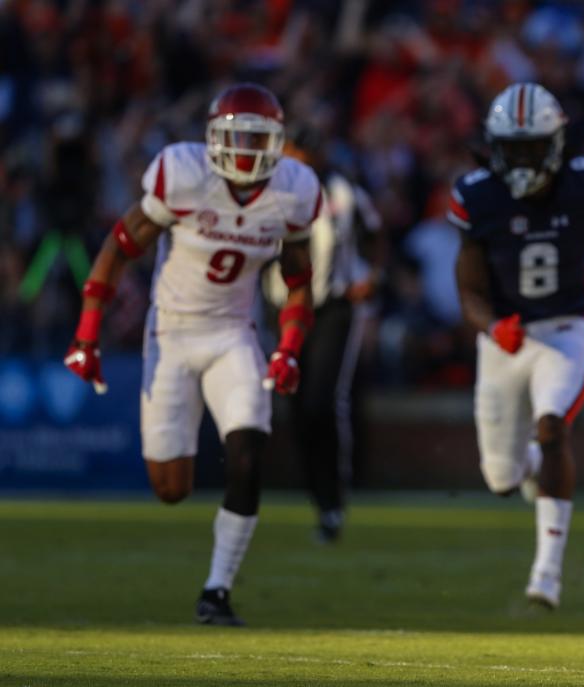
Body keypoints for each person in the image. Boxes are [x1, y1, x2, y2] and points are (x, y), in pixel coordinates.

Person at [64, 83, 322, 625]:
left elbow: (299, 280)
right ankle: (213, 579)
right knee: (170, 488)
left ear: (277, 143)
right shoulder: (183, 175)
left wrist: (291, 349)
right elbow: (118, 247)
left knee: (250, 448)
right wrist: (86, 336)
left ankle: (217, 590)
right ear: (214, 138)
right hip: (172, 335)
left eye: (259, 138)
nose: (248, 150)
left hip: (235, 332)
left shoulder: (292, 191)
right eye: (239, 137)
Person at [452, 82, 584, 609]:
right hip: (504, 340)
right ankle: (525, 463)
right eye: (512, 148)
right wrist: (491, 325)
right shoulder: (479, 194)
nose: (521, 159)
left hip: (565, 330)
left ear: (556, 142)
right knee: (500, 478)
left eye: (531, 147)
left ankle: (546, 574)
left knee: (552, 427)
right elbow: (469, 288)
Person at [263, 149, 384, 543]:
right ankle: (320, 499)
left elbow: (375, 234)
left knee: (323, 400)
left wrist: (372, 278)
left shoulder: (342, 190)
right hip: (284, 309)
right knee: (297, 408)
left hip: (333, 306)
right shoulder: (268, 190)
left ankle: (335, 495)